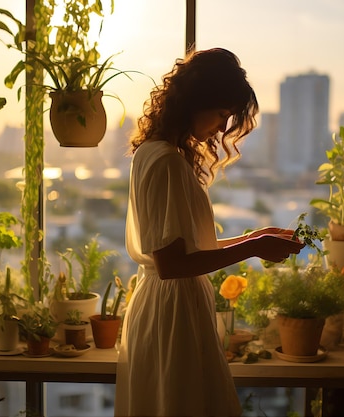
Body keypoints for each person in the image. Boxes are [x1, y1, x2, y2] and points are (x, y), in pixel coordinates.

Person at [114, 47, 305, 417]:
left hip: (163, 304)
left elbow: (184, 250)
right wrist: (253, 246)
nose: (222, 128)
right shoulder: (167, 161)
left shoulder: (151, 151)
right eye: (221, 114)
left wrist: (257, 236)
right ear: (196, 102)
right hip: (173, 310)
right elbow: (171, 265)